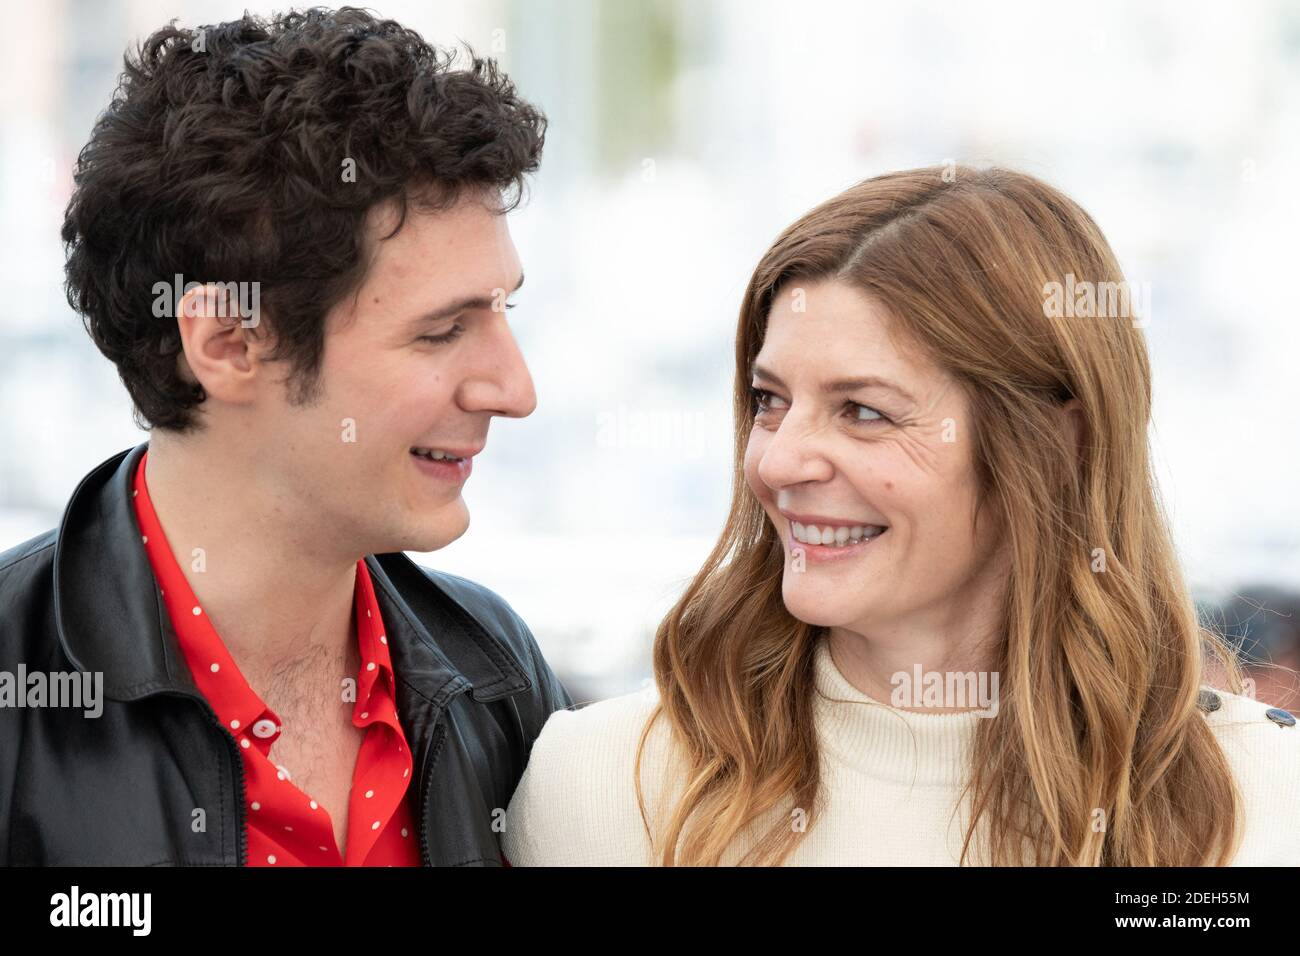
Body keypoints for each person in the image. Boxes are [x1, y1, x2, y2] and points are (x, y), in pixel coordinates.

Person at [503, 165, 1300, 866]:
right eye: (768, 401)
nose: (777, 462)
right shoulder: (605, 787)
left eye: (864, 411)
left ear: (1060, 441)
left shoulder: (1264, 802)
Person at [0, 7, 573, 866]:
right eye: (441, 331)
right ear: (229, 344)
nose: (516, 391)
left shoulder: (495, 676)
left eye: (503, 309)